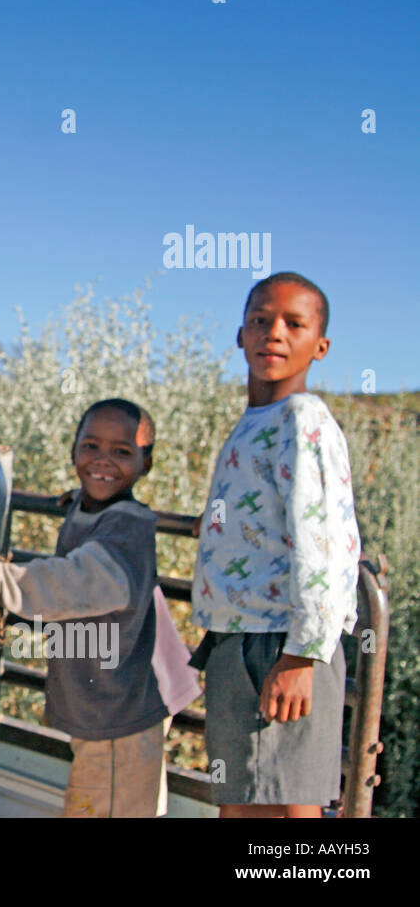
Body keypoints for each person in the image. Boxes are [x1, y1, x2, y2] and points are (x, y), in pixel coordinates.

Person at [188, 272, 358, 818]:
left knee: (290, 809)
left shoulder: (304, 419)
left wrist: (302, 653)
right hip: (240, 638)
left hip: (282, 642)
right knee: (242, 803)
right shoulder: (255, 422)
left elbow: (325, 544)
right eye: (261, 320)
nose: (274, 334)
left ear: (320, 346)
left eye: (294, 323)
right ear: (241, 335)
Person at [0, 399, 172, 816]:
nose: (103, 461)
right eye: (91, 447)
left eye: (122, 452)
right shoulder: (91, 507)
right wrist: (77, 499)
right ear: (73, 451)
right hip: (107, 714)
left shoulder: (128, 530)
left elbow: (72, 583)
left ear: (147, 463)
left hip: (118, 722)